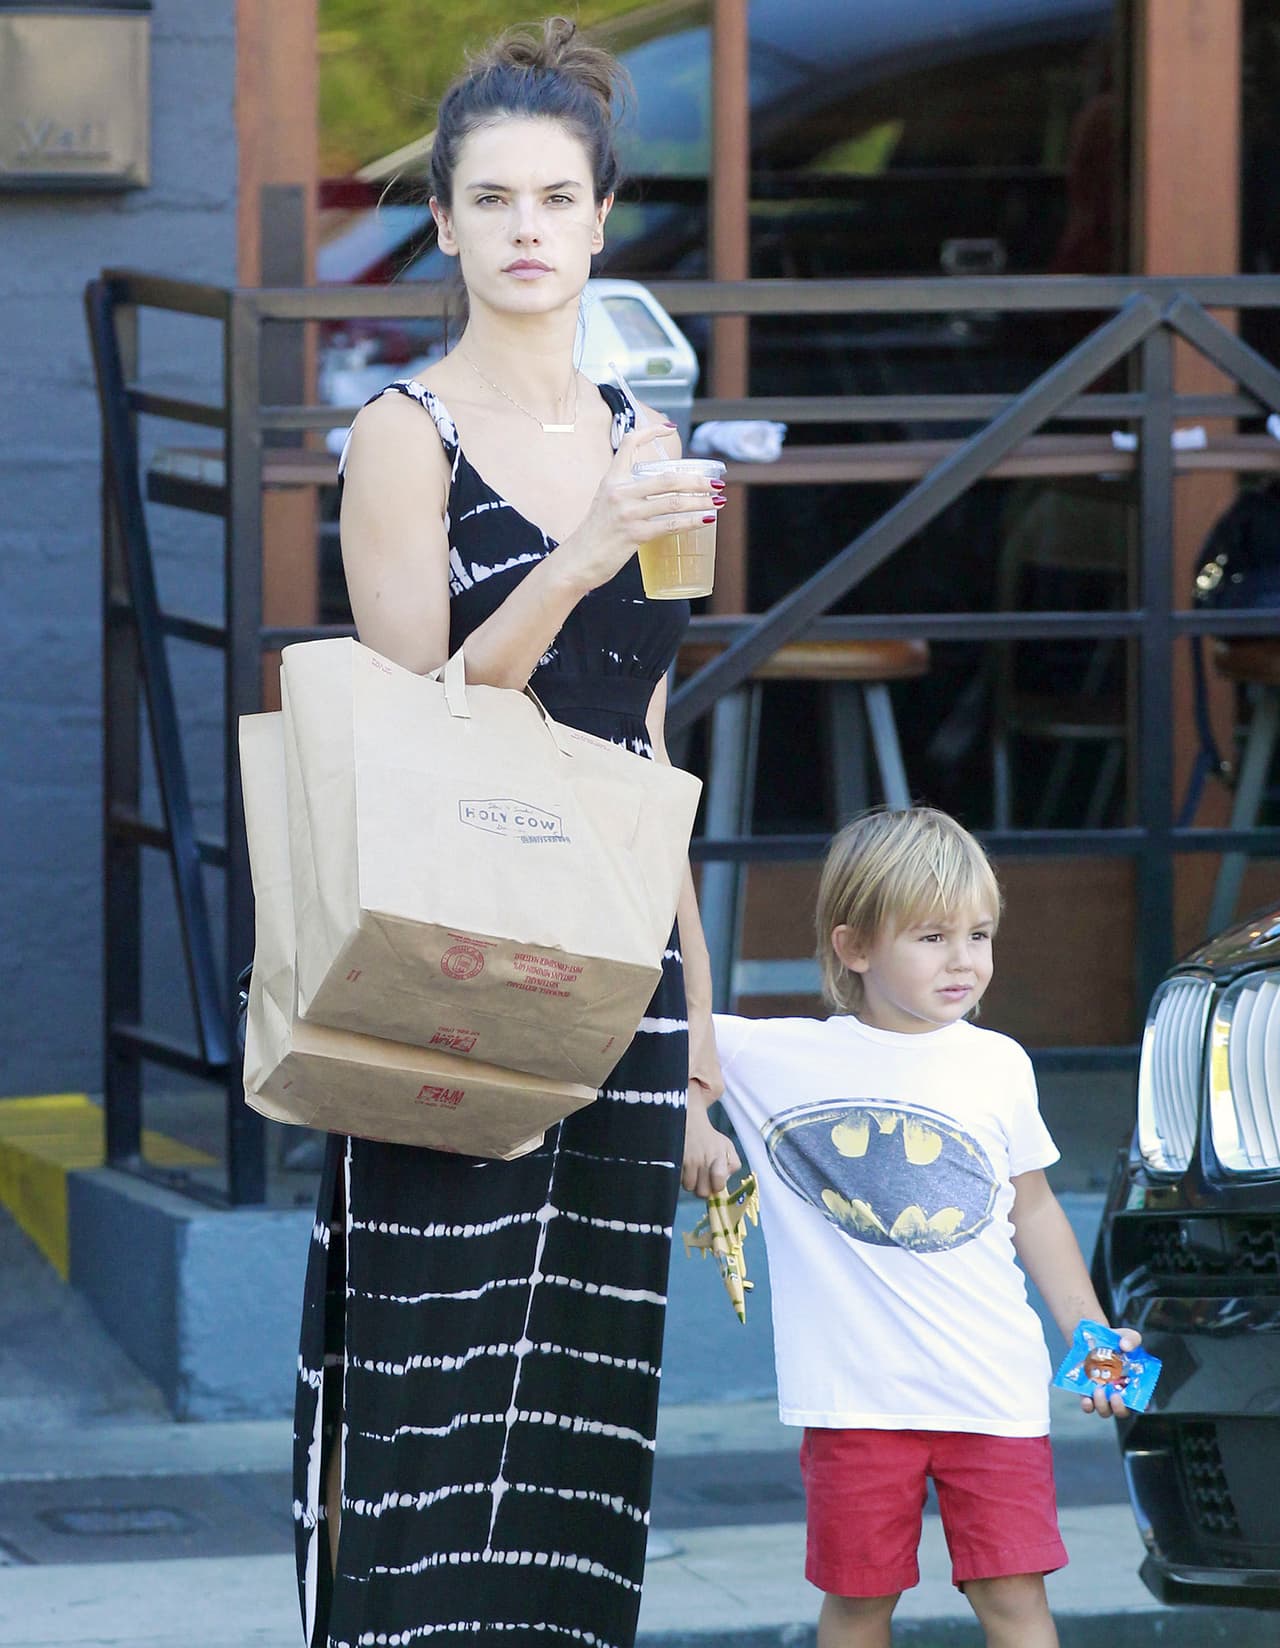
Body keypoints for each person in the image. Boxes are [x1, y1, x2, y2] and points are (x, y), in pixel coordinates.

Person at [294, 18, 739, 1647]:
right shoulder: (405, 431)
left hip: (616, 962)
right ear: (450, 223)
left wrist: (698, 1020)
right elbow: (425, 717)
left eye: (558, 195)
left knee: (578, 1410)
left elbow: (650, 743)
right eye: (494, 198)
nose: (529, 228)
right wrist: (580, 550)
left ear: (606, 214)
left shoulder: (637, 427)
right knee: (433, 1389)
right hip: (451, 961)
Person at [685, 807, 1141, 1648]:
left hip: (993, 1388)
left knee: (1015, 1596)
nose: (965, 959)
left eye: (979, 933)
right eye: (932, 937)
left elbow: (1033, 1209)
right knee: (859, 1603)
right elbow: (660, 1025)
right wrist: (694, 1116)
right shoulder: (776, 1057)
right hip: (855, 1400)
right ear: (854, 947)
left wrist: (1095, 1337)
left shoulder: (999, 1062)